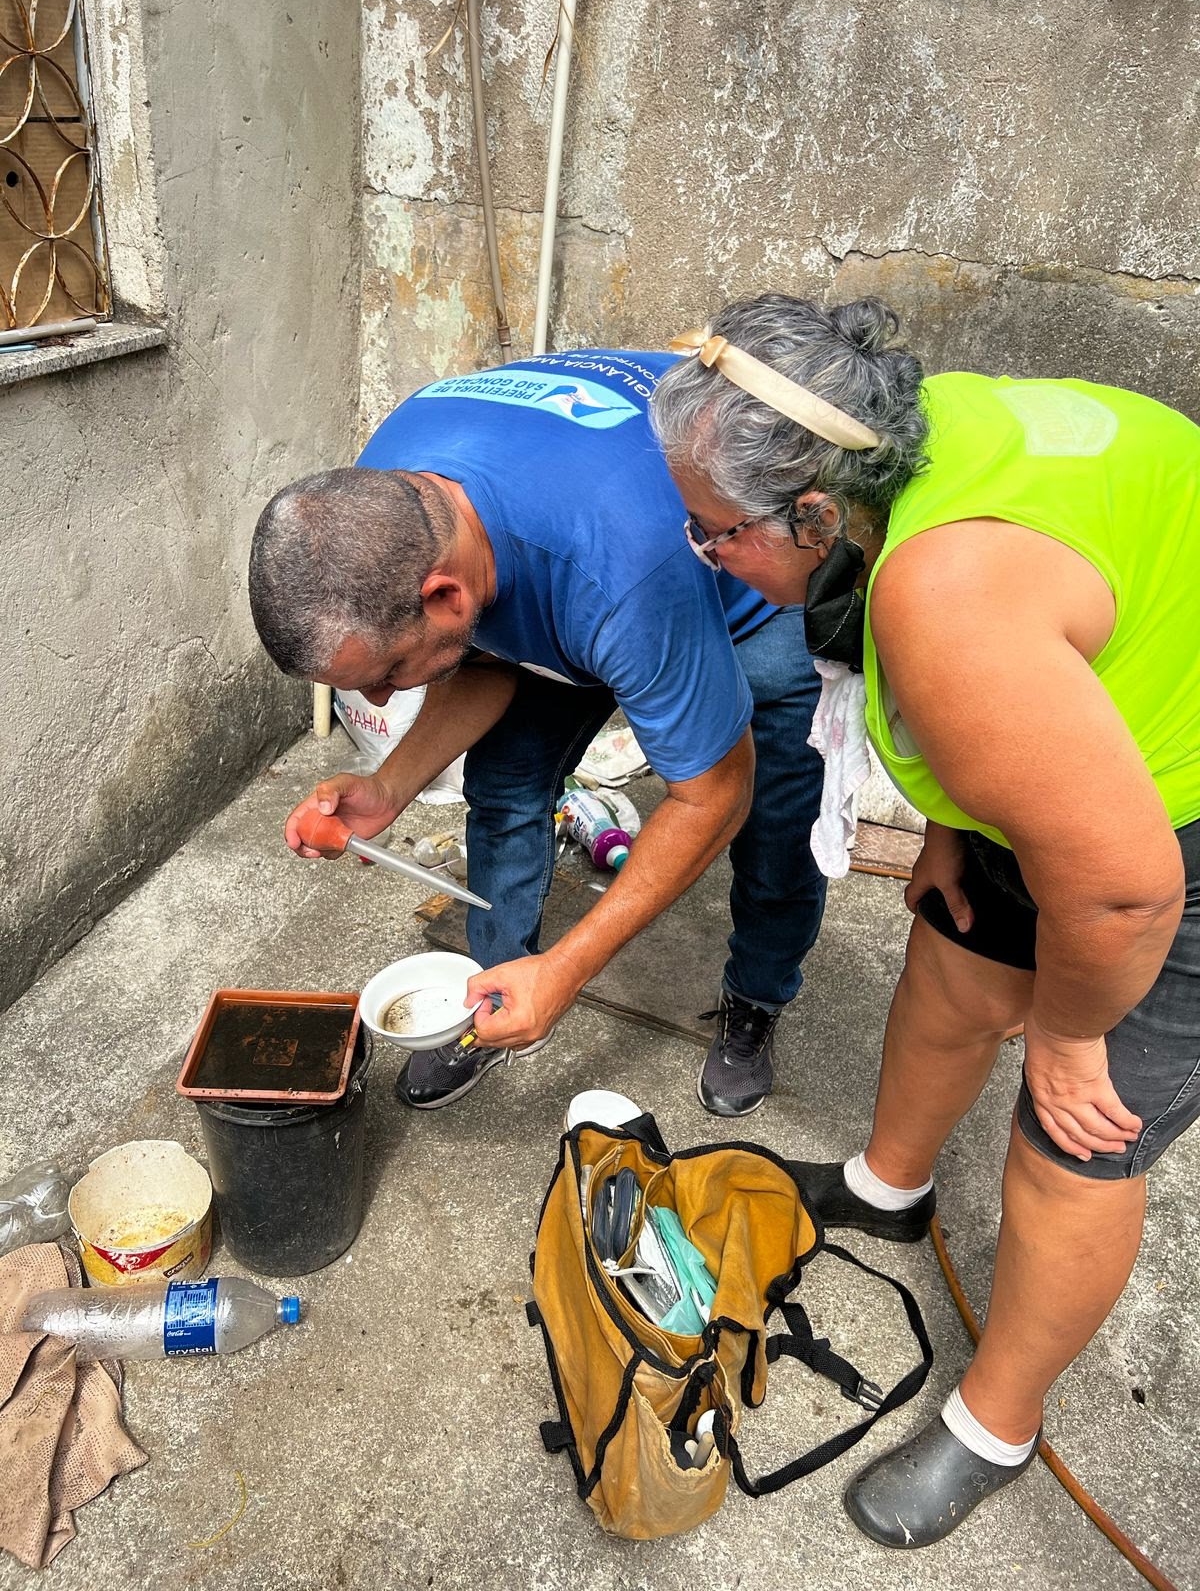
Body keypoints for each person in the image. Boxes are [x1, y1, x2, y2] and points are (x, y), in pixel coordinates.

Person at [650, 293, 1200, 1547]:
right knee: (951, 972)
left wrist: (1068, 1028)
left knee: (1079, 1130)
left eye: (713, 531)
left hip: (1176, 820)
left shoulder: (941, 601)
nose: (700, 550)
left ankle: (997, 1422)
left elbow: (1120, 888)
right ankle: (886, 1189)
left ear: (813, 514)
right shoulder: (893, 435)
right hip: (1096, 731)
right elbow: (1016, 700)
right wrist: (960, 806)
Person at [248, 348, 828, 1116]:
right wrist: (388, 787)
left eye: (385, 674)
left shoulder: (623, 575)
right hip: (576, 564)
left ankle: (755, 999)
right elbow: (484, 655)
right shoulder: (385, 494)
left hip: (737, 590)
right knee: (505, 782)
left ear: (445, 592)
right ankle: (491, 1002)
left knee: (778, 818)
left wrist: (569, 967)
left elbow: (713, 796)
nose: (383, 702)